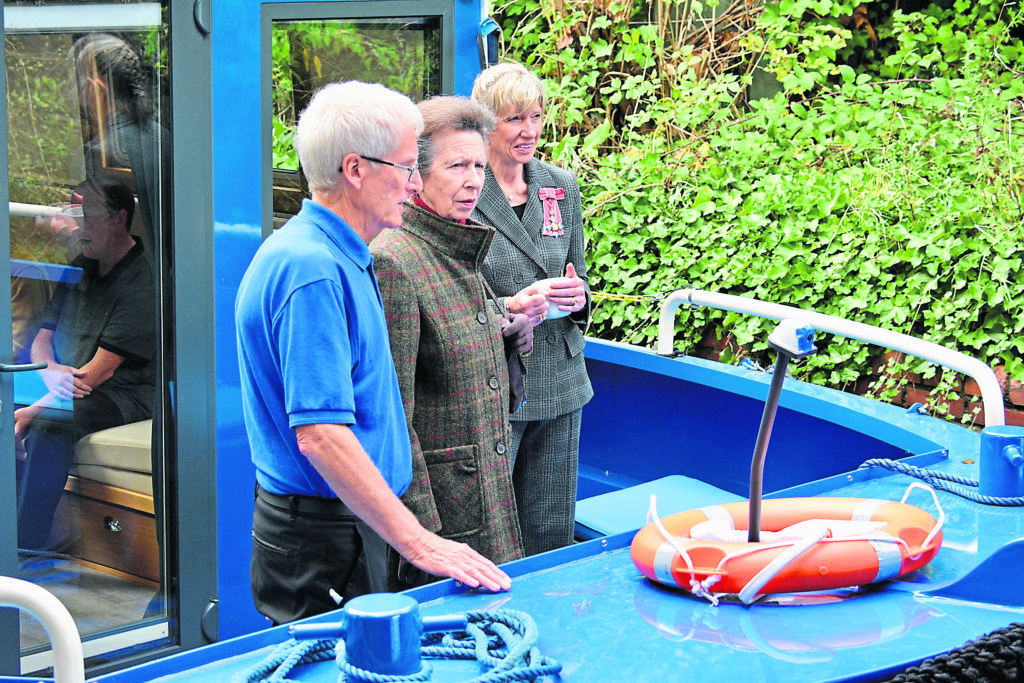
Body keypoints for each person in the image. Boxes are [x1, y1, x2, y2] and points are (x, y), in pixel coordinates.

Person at [235, 81, 511, 625]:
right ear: (356, 170)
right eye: (407, 167)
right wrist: (421, 543)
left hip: (349, 527)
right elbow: (320, 435)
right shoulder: (311, 270)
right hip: (326, 538)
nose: (414, 185)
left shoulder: (336, 254)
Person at [371, 96, 532, 590]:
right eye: (457, 165)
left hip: (483, 498)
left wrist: (508, 332)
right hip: (445, 522)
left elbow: (454, 353)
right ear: (415, 175)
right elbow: (393, 415)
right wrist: (421, 535)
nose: (473, 180)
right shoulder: (395, 260)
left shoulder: (456, 243)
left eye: (480, 165)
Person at [471, 62, 594, 556]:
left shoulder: (560, 185)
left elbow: (578, 272)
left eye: (537, 116)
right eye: (515, 119)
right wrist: (509, 306)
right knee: (493, 536)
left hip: (562, 381)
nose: (530, 131)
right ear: (485, 124)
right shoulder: (462, 187)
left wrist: (579, 297)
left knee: (550, 533)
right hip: (496, 382)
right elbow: (447, 293)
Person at [15, 174, 156, 549]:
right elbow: (41, 340)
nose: (79, 227)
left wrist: (31, 411)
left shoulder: (144, 282)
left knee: (49, 426)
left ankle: (24, 545)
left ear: (118, 219)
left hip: (122, 395)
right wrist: (50, 370)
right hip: (63, 381)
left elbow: (94, 376)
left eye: (88, 216)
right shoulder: (82, 265)